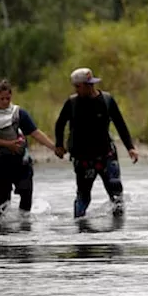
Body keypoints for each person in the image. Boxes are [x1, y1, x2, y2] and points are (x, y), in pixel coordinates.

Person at [53, 67, 139, 218]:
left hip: (106, 156)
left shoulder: (106, 100)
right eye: (76, 87)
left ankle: (118, 232)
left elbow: (120, 124)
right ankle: (80, 231)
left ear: (89, 85)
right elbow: (60, 124)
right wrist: (59, 145)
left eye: (78, 86)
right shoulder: (72, 103)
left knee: (116, 196)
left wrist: (130, 148)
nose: (76, 90)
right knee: (83, 198)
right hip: (83, 159)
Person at [0, 80, 58, 225]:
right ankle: (2, 235)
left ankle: (25, 229)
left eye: (8, 98)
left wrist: (54, 148)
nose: (5, 101)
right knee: (2, 202)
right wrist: (9, 144)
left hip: (20, 163)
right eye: (1, 99)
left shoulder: (19, 113)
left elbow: (35, 133)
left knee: (26, 195)